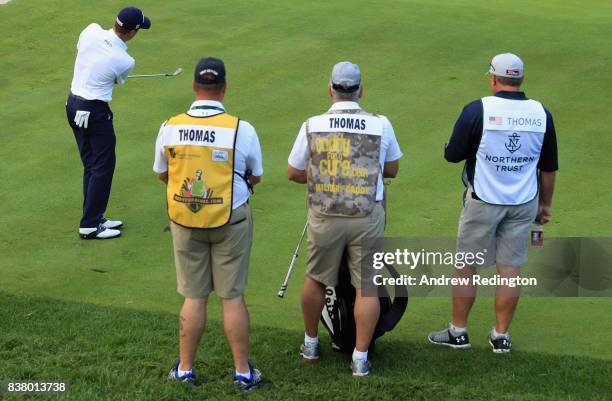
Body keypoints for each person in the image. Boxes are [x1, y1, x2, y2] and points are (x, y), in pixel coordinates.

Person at [429, 53, 558, 353]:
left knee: (465, 266)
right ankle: (501, 336)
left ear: (493, 78)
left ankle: (458, 331)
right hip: (524, 200)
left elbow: (452, 155)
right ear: (520, 79)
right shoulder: (542, 113)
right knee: (510, 268)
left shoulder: (478, 109)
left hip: (483, 199)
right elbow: (548, 168)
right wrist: (546, 205)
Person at [153, 57, 264, 391]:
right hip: (231, 218)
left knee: (194, 296)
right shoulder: (241, 128)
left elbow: (162, 173)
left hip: (186, 219)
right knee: (231, 297)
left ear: (194, 87)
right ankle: (243, 372)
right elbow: (255, 175)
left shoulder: (170, 126)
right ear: (224, 87)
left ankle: (185, 369)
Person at [287, 61, 403, 376]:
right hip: (367, 214)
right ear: (360, 90)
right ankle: (360, 358)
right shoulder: (381, 124)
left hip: (325, 213)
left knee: (315, 278)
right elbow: (391, 169)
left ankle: (311, 343)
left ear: (330, 89)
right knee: (367, 285)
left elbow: (294, 173)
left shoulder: (313, 124)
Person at [66, 7, 151, 239]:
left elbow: (78, 54)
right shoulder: (125, 60)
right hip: (94, 112)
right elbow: (117, 80)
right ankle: (90, 225)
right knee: (103, 166)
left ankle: (95, 216)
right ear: (132, 32)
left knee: (91, 165)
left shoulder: (90, 30)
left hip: (72, 106)